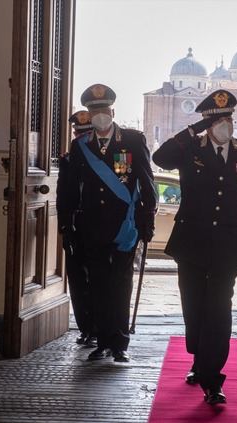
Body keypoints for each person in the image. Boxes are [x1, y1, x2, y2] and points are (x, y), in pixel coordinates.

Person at [152, 89, 237, 405]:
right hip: (191, 243)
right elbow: (160, 158)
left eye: (228, 118)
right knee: (194, 307)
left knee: (218, 309)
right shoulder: (190, 149)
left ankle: (212, 378)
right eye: (217, 120)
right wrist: (192, 132)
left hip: (229, 243)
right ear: (205, 124)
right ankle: (198, 360)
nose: (224, 125)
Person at [58, 83, 157, 364]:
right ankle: (102, 341)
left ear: (112, 110)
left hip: (125, 226)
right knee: (99, 285)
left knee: (121, 284)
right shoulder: (81, 147)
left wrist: (147, 218)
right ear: (88, 115)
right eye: (94, 110)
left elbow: (147, 183)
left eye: (103, 109)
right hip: (91, 227)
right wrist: (66, 223)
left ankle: (120, 343)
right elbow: (69, 189)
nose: (100, 114)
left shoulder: (133, 141)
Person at [57, 110, 97, 347]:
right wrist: (65, 226)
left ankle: (102, 328)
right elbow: (64, 195)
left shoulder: (107, 157)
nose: (82, 138)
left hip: (101, 225)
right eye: (79, 134)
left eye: (87, 134)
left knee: (100, 280)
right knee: (79, 281)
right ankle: (87, 328)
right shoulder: (68, 159)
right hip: (76, 225)